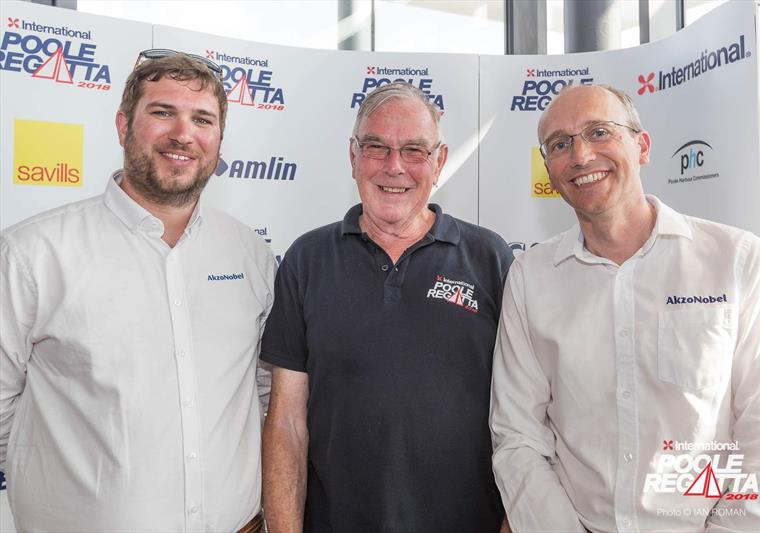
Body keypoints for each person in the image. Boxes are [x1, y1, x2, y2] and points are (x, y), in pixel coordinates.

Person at [489, 83, 760, 532]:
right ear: (550, 171)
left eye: (599, 132)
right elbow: (517, 436)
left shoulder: (737, 261)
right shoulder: (530, 277)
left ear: (642, 146)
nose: (580, 156)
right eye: (560, 144)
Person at [0, 50, 274, 532]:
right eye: (162, 112)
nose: (183, 134)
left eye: (202, 119)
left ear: (218, 140)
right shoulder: (32, 254)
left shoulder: (250, 254)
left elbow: (264, 393)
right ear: (124, 125)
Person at [260, 82, 514, 533]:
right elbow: (287, 424)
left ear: (439, 162)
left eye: (414, 150)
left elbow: (523, 417)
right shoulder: (307, 260)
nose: (394, 167)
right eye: (377, 147)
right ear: (353, 156)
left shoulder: (490, 258)